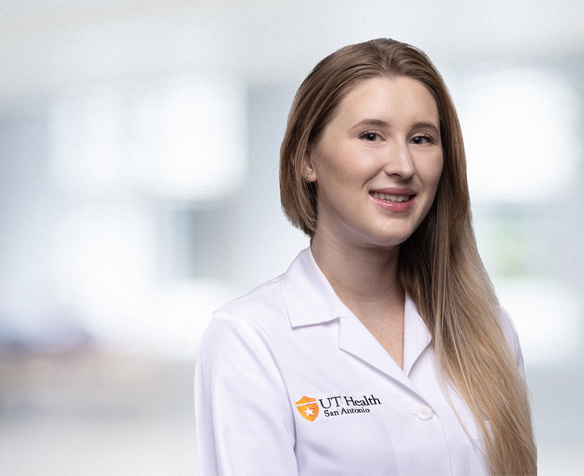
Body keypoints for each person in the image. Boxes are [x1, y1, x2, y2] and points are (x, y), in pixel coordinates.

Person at [194, 39, 536, 475]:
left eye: (422, 138)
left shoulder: (490, 332)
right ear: (306, 158)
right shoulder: (250, 338)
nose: (403, 164)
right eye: (371, 135)